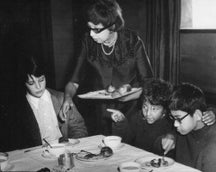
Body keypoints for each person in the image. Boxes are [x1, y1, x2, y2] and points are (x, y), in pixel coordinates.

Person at [60, 0, 153, 142]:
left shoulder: (132, 41)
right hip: (100, 112)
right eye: (89, 28)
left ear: (113, 27)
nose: (91, 34)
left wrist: (129, 97)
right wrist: (67, 98)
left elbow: (148, 83)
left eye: (96, 29)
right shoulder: (87, 42)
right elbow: (74, 80)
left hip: (132, 109)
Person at [10, 57, 88, 150]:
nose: (38, 87)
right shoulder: (17, 108)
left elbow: (79, 128)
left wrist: (72, 146)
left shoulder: (62, 98)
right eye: (31, 83)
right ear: (23, 83)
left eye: (41, 80)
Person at [168, 83, 216, 172]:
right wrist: (169, 137)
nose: (175, 124)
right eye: (172, 117)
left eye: (178, 119)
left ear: (197, 115)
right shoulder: (186, 128)